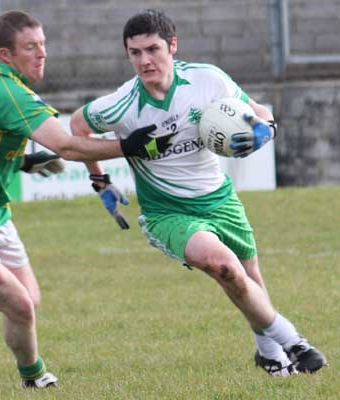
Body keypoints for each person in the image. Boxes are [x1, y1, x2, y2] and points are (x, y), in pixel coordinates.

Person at [0, 10, 173, 390]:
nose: (41, 54)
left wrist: (24, 161)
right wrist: (131, 147)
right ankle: (34, 380)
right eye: (30, 47)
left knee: (28, 300)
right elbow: (65, 143)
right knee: (18, 305)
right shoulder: (6, 91)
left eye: (43, 44)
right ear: (6, 55)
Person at [70, 9, 327, 376]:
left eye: (153, 49)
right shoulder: (121, 104)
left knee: (250, 277)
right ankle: (294, 342)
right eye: (135, 53)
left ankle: (269, 354)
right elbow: (76, 130)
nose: (144, 61)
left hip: (219, 199)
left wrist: (262, 132)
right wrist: (100, 181)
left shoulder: (208, 80)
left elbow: (260, 115)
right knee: (222, 264)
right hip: (167, 212)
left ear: (172, 46)